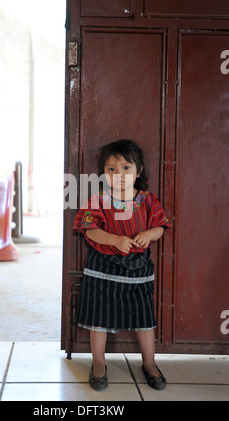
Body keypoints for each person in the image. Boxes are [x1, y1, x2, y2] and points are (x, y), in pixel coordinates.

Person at [73, 139, 171, 391]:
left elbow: (160, 227)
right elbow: (89, 229)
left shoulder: (149, 200)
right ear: (104, 174)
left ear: (138, 171)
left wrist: (149, 235)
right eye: (112, 169)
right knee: (99, 318)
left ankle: (149, 364)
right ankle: (98, 364)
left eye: (126, 168)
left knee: (144, 319)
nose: (119, 175)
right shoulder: (97, 200)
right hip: (102, 269)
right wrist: (114, 239)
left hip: (138, 271)